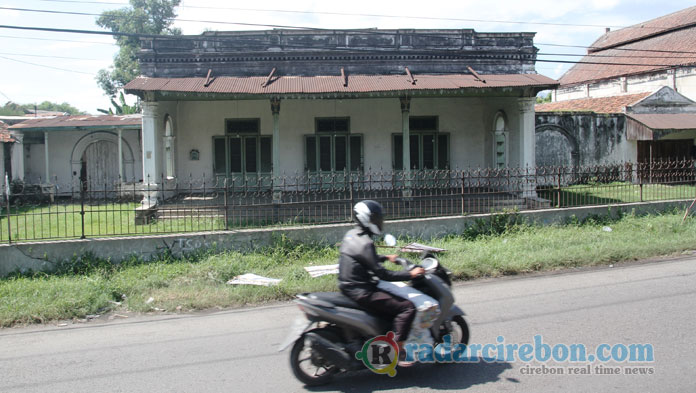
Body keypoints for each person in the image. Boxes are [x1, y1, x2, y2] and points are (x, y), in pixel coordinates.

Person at [338, 200, 424, 366]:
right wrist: (410, 274)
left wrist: (385, 257)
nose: (379, 221)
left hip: (348, 287)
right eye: (376, 218)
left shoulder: (352, 235)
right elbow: (383, 274)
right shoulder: (366, 243)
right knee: (407, 307)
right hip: (363, 291)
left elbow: (362, 259)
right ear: (366, 219)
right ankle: (397, 351)